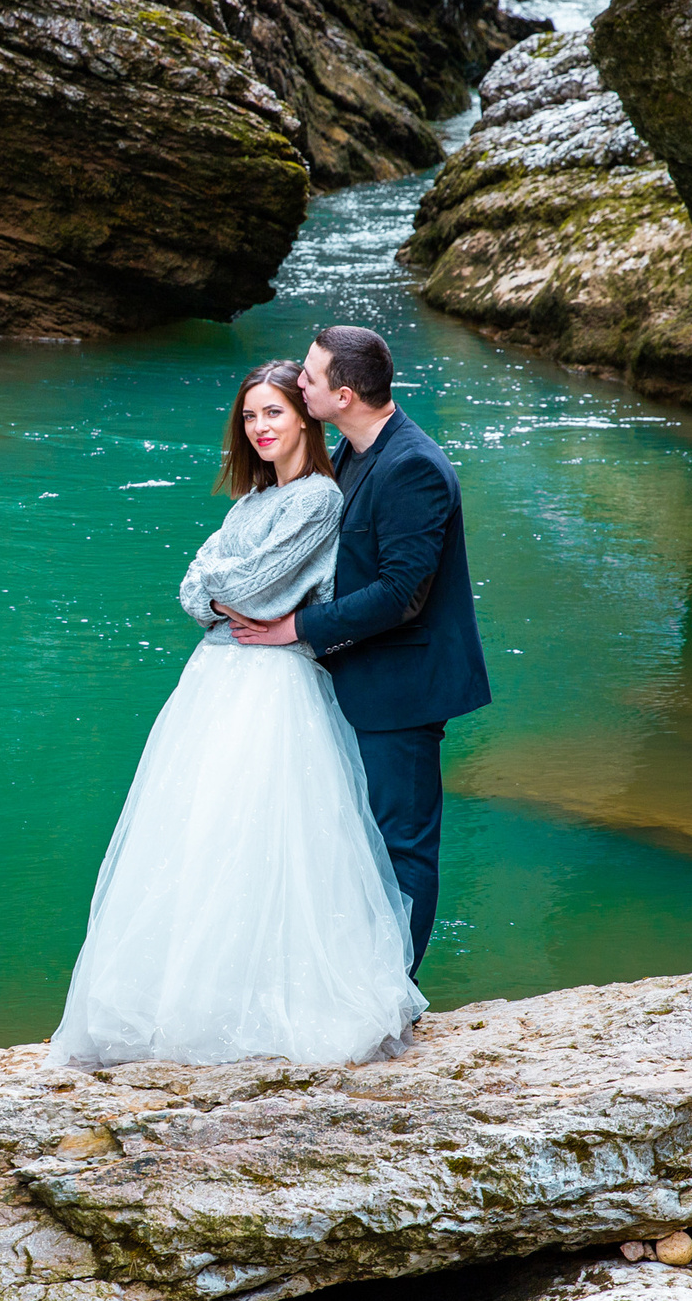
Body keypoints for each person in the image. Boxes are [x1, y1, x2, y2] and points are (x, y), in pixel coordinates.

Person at [47, 360, 426, 1067]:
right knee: (196, 835)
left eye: (275, 413)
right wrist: (224, 589)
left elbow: (246, 586)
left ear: (306, 419)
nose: (260, 427)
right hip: (215, 679)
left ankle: (264, 1000)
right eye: (250, 416)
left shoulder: (317, 499)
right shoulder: (247, 506)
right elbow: (192, 589)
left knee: (264, 835)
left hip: (273, 685)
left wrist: (225, 586)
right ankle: (187, 998)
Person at [227, 326, 490, 972]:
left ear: (343, 394)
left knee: (401, 845)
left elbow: (403, 592)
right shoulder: (349, 449)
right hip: (354, 678)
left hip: (402, 689)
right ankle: (354, 979)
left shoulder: (413, 467)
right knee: (352, 840)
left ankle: (394, 991)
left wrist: (298, 628)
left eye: (310, 379)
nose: (300, 383)